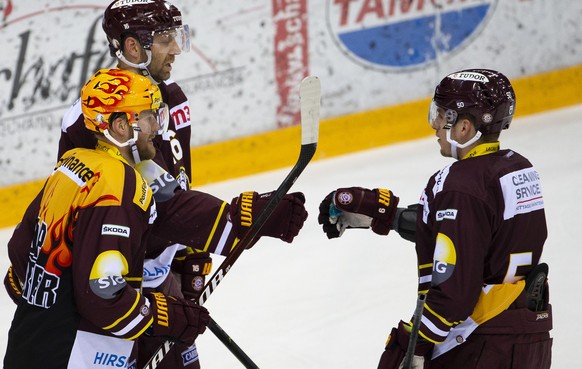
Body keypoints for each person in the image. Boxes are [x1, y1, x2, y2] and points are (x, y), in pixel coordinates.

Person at [3, 1, 309, 368]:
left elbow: (169, 188)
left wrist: (189, 258)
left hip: (152, 289)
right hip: (109, 291)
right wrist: (231, 223)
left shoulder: (171, 100)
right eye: (165, 39)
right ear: (133, 47)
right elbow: (98, 209)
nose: (176, 49)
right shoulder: (89, 119)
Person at [317, 69, 552, 368]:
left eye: (442, 116)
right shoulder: (517, 168)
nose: (435, 126)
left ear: (465, 127)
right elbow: (472, 234)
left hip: (477, 344)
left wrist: (417, 341)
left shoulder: (459, 184)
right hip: (528, 333)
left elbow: (456, 289)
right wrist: (387, 216)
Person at [4, 68, 211, 369]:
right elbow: (102, 292)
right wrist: (163, 317)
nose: (156, 127)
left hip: (28, 342)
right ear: (120, 126)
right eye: (147, 117)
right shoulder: (118, 182)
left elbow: (21, 250)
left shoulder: (72, 164)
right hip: (73, 353)